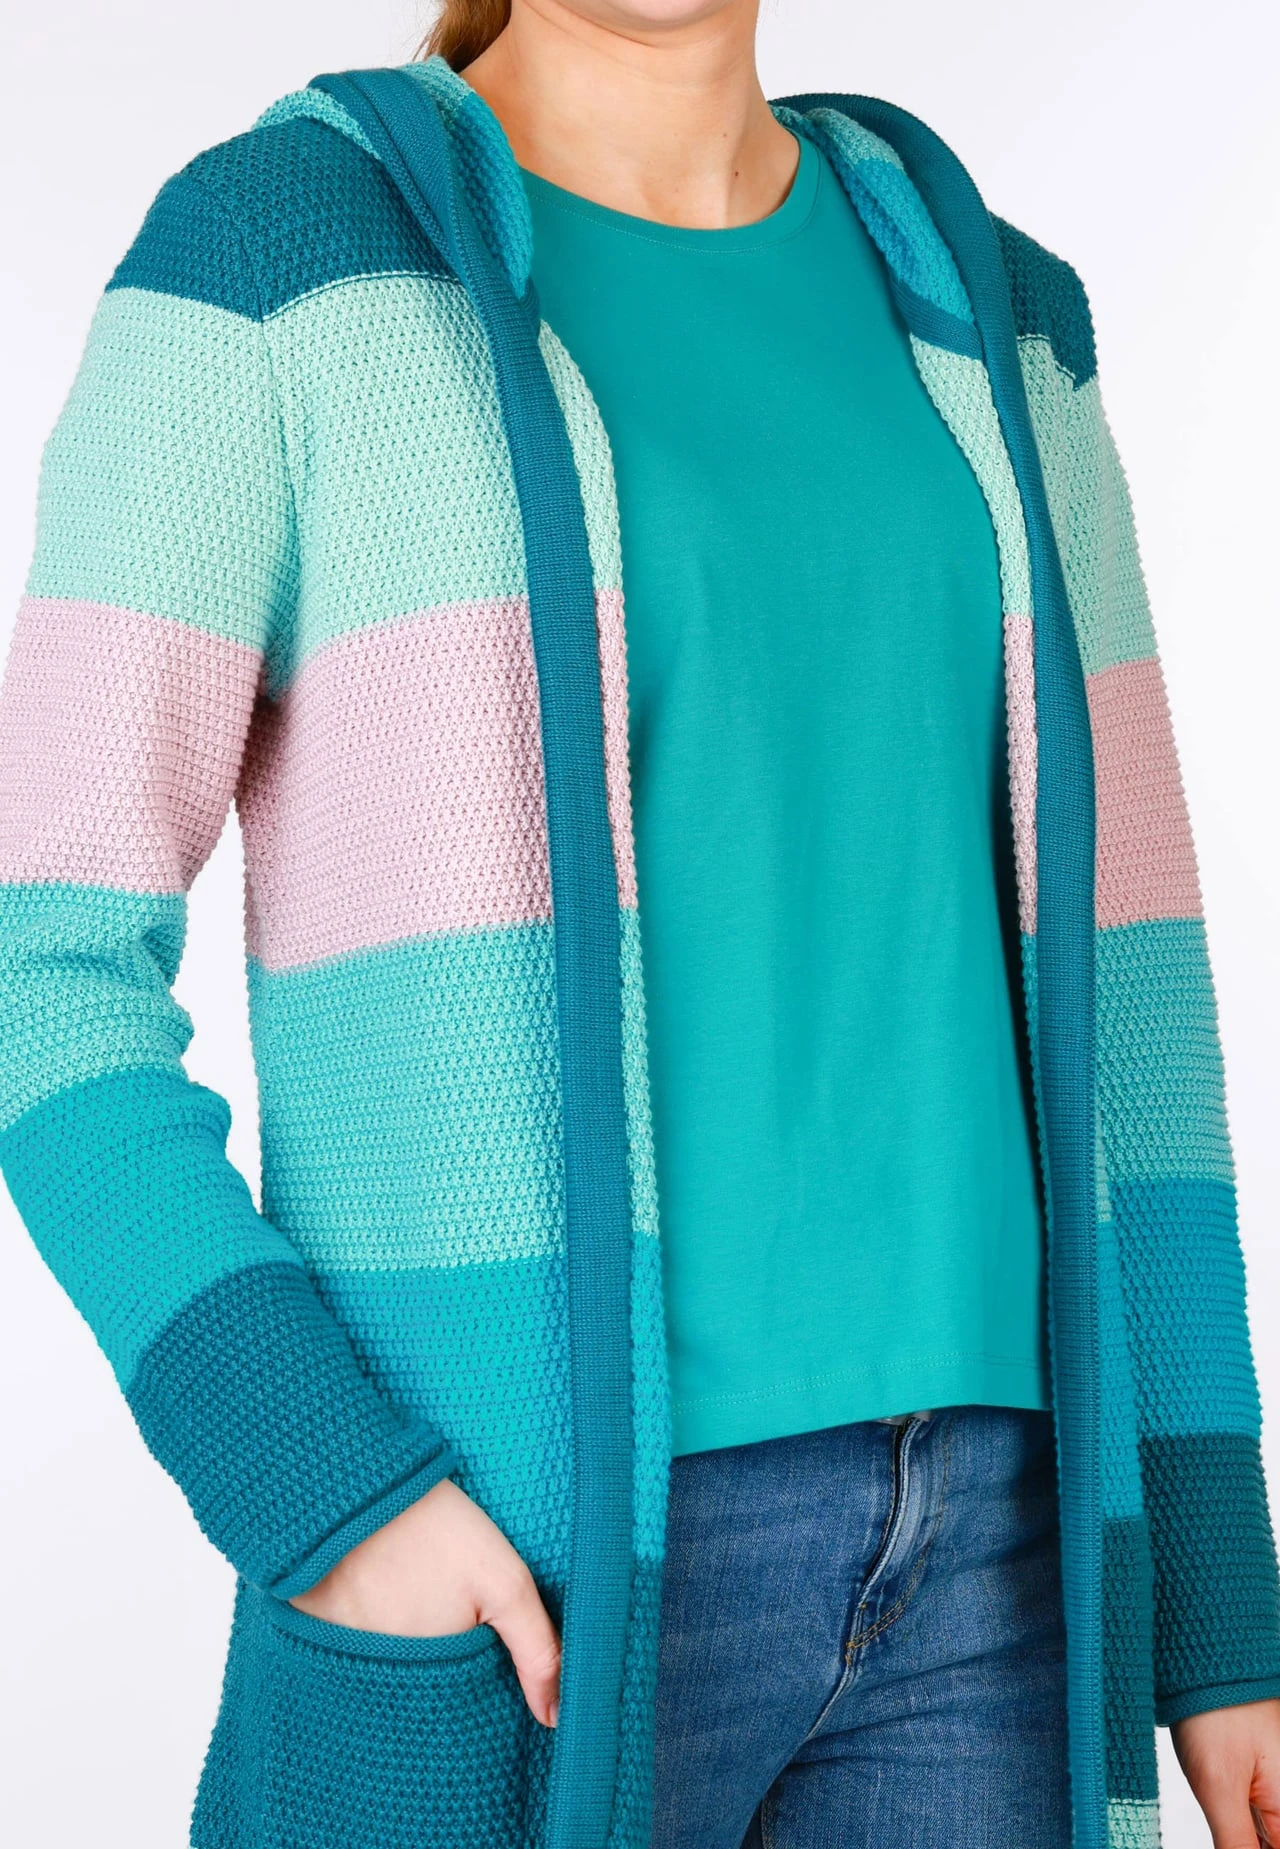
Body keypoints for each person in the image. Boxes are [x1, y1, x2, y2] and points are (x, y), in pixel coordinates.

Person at [2, 0, 1278, 1843]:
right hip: (534, 1567)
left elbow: (1135, 990)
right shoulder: (278, 256)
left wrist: (1219, 1596)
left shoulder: (998, 314)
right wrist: (322, 1487)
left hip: (1004, 1563)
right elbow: (39, 970)